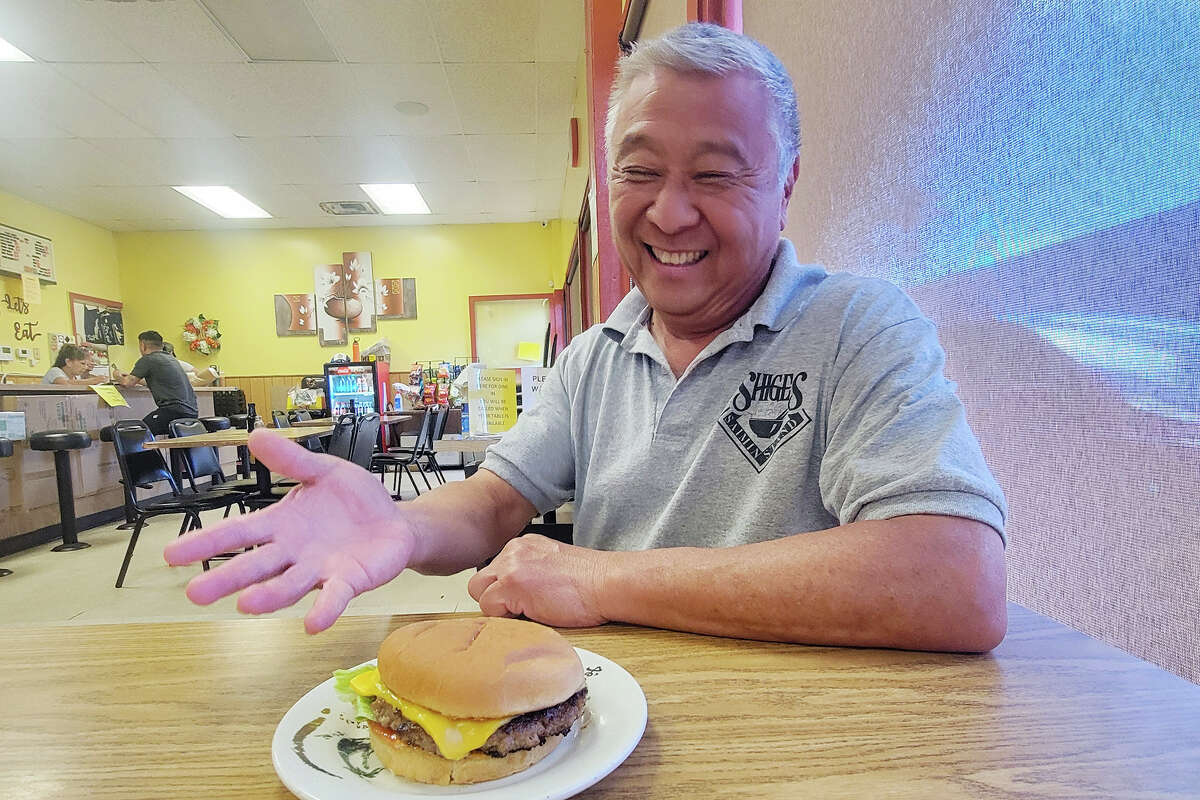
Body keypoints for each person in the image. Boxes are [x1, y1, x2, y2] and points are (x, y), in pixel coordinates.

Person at [165, 24, 1007, 652]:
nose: (670, 213)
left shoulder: (859, 325)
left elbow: (956, 579)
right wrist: (400, 524)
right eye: (640, 172)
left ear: (784, 183)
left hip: (798, 730)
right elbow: (497, 499)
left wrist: (600, 577)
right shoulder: (595, 355)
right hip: (601, 722)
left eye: (714, 174)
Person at [114, 330, 198, 435]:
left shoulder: (148, 359)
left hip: (174, 411)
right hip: (191, 412)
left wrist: (116, 375)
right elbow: (158, 382)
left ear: (142, 345)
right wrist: (138, 380)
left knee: (137, 434)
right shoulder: (171, 359)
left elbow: (127, 383)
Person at [42, 343, 107, 386]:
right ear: (68, 362)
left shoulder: (76, 377)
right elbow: (66, 384)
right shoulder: (54, 371)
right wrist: (94, 380)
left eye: (86, 364)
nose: (85, 367)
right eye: (82, 363)